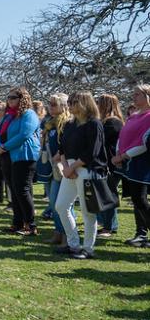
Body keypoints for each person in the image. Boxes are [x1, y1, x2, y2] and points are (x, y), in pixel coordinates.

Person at [54, 91, 107, 259]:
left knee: (87, 211)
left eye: (74, 102)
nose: (70, 105)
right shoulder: (69, 124)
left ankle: (88, 248)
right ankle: (73, 244)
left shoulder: (94, 124)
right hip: (70, 169)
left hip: (87, 169)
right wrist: (65, 166)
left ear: (85, 103)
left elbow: (93, 151)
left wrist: (73, 166)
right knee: (61, 206)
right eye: (69, 102)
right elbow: (62, 147)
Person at [0, 87, 41, 236]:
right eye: (8, 97)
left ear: (22, 99)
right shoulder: (9, 116)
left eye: (13, 97)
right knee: (13, 190)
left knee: (22, 190)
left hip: (24, 156)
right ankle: (17, 223)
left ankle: (31, 225)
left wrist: (5, 147)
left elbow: (24, 134)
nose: (10, 100)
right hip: (7, 156)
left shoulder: (29, 114)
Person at [113, 85, 150, 248]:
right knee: (136, 199)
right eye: (133, 94)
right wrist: (118, 154)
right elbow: (123, 137)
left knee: (140, 199)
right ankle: (140, 234)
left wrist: (124, 155)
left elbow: (145, 142)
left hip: (143, 163)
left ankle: (143, 233)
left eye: (137, 94)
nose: (133, 97)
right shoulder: (133, 116)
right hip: (130, 163)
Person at [41, 93, 73, 246]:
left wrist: (59, 156)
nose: (50, 106)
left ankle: (68, 235)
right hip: (52, 166)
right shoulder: (50, 123)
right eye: (49, 103)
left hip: (63, 166)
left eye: (54, 104)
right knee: (54, 203)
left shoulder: (67, 122)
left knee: (63, 203)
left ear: (64, 106)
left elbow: (68, 144)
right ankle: (58, 232)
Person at [96, 94, 124, 238]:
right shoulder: (108, 122)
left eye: (99, 103)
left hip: (111, 166)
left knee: (109, 195)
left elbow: (103, 144)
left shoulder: (112, 123)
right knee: (105, 194)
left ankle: (109, 226)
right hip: (107, 165)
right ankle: (107, 224)